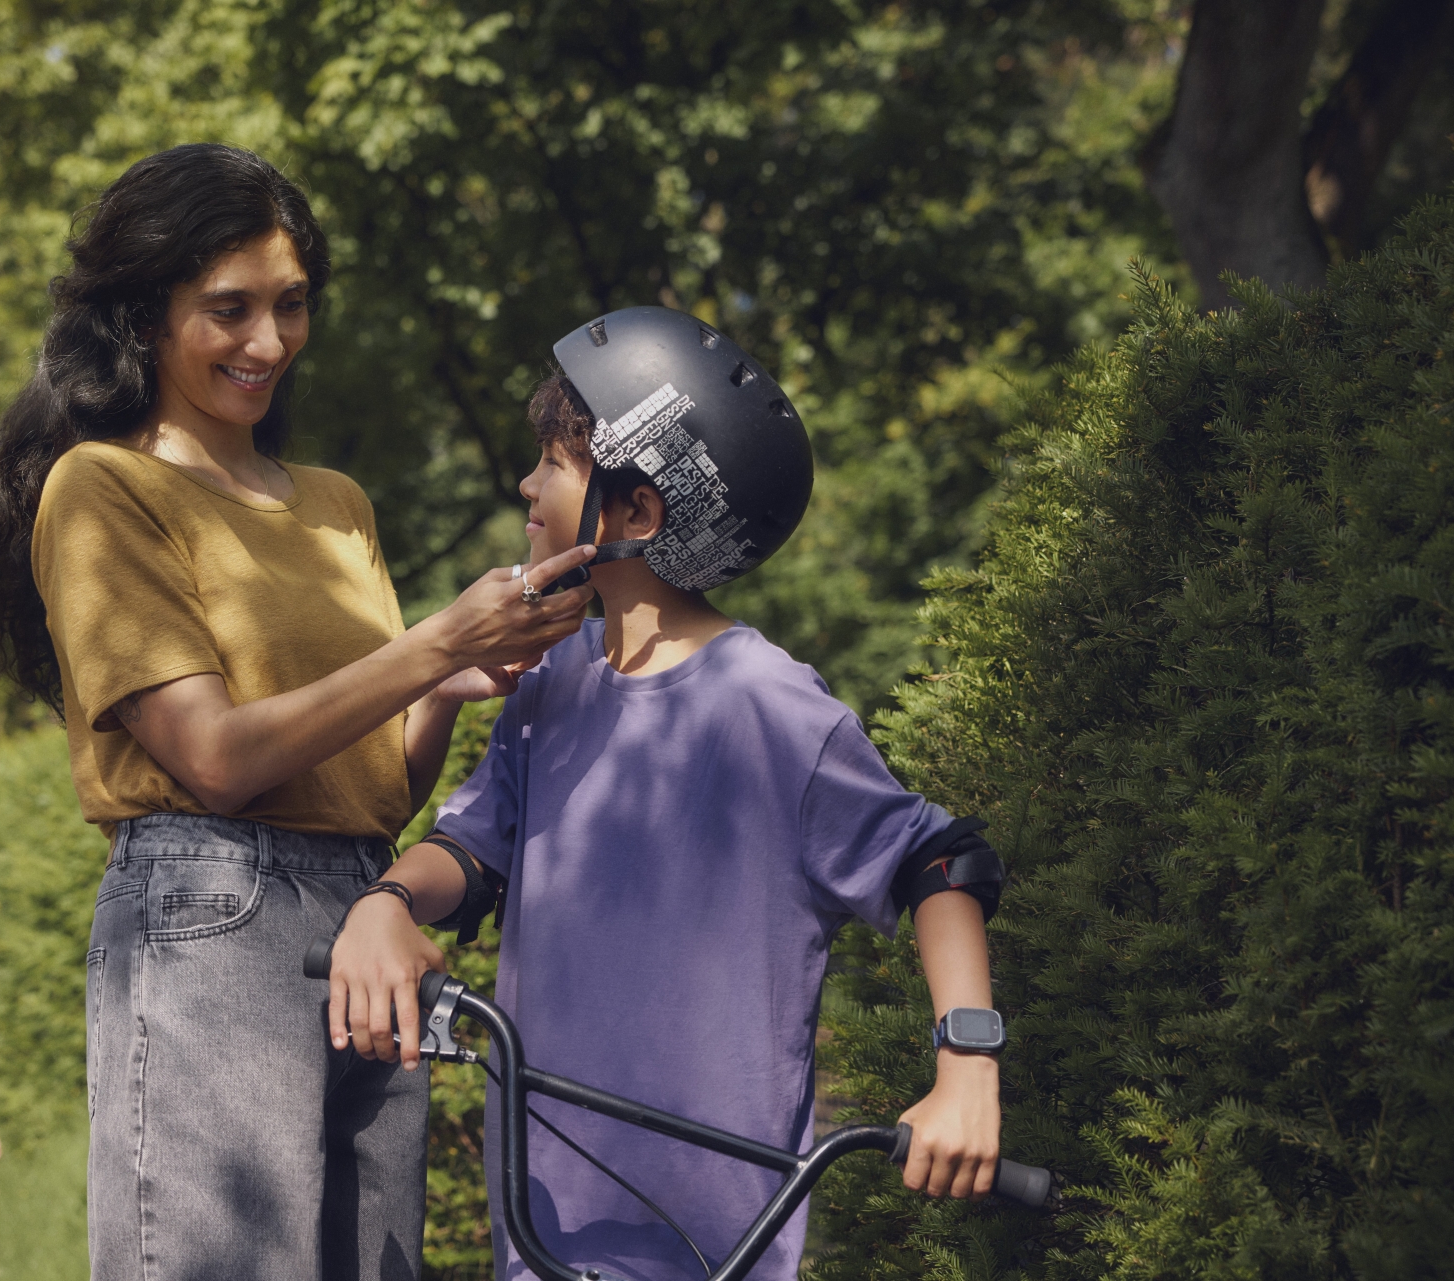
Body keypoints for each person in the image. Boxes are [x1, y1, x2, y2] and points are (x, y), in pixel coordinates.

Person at [0, 143, 597, 1281]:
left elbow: (380, 789)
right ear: (146, 314)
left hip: (364, 916)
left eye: (290, 306)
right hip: (214, 914)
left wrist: (446, 684)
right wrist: (434, 642)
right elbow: (212, 759)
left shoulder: (337, 506)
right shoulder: (104, 488)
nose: (267, 342)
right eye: (229, 309)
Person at [329, 307, 1009, 1281]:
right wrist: (387, 902)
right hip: (544, 1235)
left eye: (553, 466)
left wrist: (967, 1067)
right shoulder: (553, 683)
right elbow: (475, 853)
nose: (525, 484)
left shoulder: (770, 708)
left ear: (637, 513)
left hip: (713, 1252)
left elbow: (938, 863)